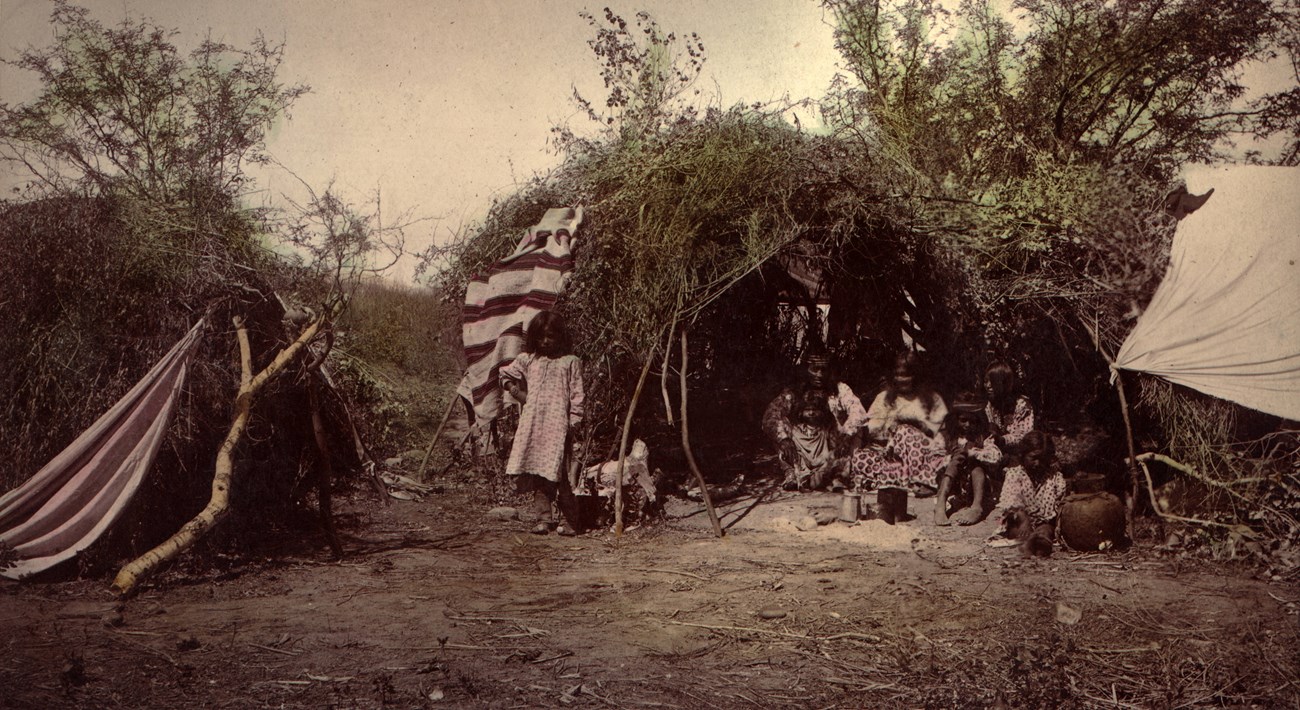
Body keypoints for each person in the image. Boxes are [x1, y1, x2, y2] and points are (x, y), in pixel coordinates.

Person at [499, 311, 585, 536]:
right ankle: (544, 519)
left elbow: (577, 394)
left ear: (560, 337)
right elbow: (505, 375)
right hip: (535, 425)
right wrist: (517, 392)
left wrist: (574, 421)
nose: (545, 341)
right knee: (539, 472)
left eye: (551, 336)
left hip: (559, 426)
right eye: (541, 337)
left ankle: (570, 521)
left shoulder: (570, 362)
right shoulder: (529, 361)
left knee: (563, 475)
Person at [850, 352, 948, 524]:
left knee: (904, 432)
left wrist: (913, 426)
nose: (901, 379)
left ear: (916, 375)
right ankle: (892, 487)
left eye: (906, 374)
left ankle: (916, 482)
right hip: (889, 454)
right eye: (897, 374)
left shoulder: (931, 399)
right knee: (860, 457)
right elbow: (870, 429)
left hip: (920, 456)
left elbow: (940, 434)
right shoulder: (884, 398)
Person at [762, 352, 867, 491]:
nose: (819, 374)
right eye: (814, 369)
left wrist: (846, 435)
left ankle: (839, 475)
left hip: (835, 445)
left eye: (824, 369)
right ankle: (792, 473)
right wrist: (784, 439)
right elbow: (770, 415)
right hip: (803, 445)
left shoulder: (840, 389)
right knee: (780, 426)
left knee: (856, 428)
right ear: (805, 369)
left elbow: (858, 411)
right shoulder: (794, 391)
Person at [935, 392, 1002, 526]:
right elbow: (935, 460)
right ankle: (941, 500)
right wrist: (952, 459)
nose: (968, 425)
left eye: (973, 421)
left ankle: (977, 506)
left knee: (975, 463)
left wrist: (975, 454)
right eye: (963, 420)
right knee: (958, 455)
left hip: (977, 484)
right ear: (956, 419)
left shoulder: (984, 436)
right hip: (955, 484)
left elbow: (996, 456)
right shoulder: (947, 436)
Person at [997, 430, 1067, 554]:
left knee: (1046, 530)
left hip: (1044, 521)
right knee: (1017, 530)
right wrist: (1024, 520)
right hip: (1019, 519)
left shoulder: (1054, 477)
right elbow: (1011, 502)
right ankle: (1029, 543)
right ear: (1022, 455)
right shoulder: (1015, 474)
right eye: (1033, 458)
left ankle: (1040, 542)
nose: (1038, 463)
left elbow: (1060, 503)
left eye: (1042, 459)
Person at [983, 361, 1035, 459]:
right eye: (986, 381)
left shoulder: (1022, 405)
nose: (988, 385)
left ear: (1003, 383)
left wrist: (1002, 439)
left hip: (1017, 455)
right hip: (993, 452)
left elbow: (1024, 437)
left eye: (992, 381)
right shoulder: (989, 404)